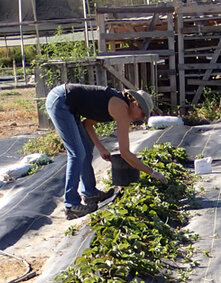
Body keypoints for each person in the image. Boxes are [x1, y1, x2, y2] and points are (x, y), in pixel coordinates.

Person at [45, 83, 168, 219]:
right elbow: (125, 153)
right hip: (60, 100)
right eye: (142, 114)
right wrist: (152, 172)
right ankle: (71, 205)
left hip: (68, 104)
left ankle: (90, 193)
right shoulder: (121, 108)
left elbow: (87, 124)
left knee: (86, 148)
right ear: (134, 104)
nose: (141, 118)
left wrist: (101, 147)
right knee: (77, 153)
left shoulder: (117, 104)